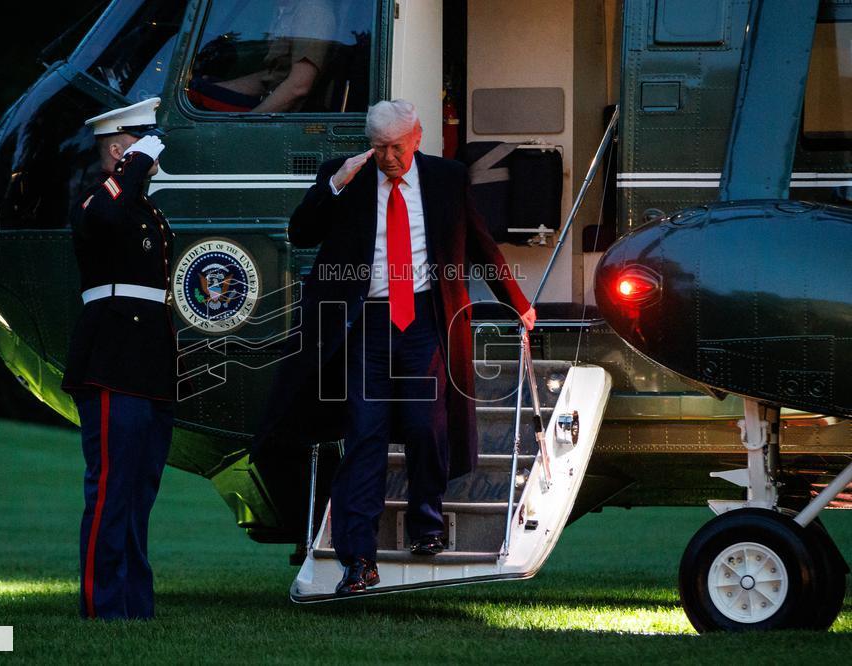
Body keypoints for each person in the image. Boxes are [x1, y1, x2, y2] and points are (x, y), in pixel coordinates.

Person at [251, 99, 536, 595]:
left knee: (427, 425)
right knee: (364, 435)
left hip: (425, 318)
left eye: (396, 147)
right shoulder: (346, 178)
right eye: (379, 147)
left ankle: (428, 525)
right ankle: (358, 560)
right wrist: (334, 184)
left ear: (417, 137)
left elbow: (480, 244)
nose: (387, 158)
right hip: (367, 324)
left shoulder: (447, 178)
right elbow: (300, 234)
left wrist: (517, 302)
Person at [60, 97, 177, 619]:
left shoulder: (144, 207)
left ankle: (134, 600)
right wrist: (130, 167)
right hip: (111, 355)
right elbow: (104, 215)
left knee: (139, 488)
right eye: (140, 144)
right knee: (110, 486)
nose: (151, 155)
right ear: (116, 148)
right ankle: (102, 601)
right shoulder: (96, 199)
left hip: (147, 358)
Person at [188, 0, 338, 113]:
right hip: (267, 101)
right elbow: (271, 76)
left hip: (289, 116)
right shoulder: (285, 11)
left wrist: (250, 121)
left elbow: (299, 86)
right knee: (195, 89)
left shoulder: (313, 12)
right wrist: (217, 86)